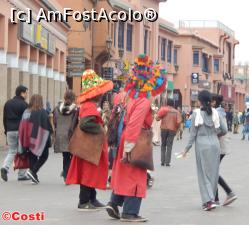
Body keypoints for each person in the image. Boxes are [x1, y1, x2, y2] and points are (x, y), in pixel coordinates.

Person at [106, 54, 167, 222]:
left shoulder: (127, 96)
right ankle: (130, 212)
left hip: (124, 135)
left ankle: (114, 202)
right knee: (136, 173)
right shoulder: (143, 101)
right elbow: (135, 123)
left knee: (122, 172)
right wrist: (129, 146)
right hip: (136, 138)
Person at [66, 69, 113, 210]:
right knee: (88, 174)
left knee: (91, 173)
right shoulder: (89, 106)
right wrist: (100, 130)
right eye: (100, 91)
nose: (102, 94)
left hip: (90, 147)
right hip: (89, 147)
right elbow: (85, 123)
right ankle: (84, 201)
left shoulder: (88, 105)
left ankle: (92, 199)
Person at [181, 90, 227, 211]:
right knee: (213, 173)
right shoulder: (215, 112)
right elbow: (225, 129)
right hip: (215, 144)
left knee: (203, 174)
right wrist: (215, 135)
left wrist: (186, 149)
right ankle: (211, 199)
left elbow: (192, 134)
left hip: (202, 145)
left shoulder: (197, 114)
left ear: (200, 101)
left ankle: (209, 200)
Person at [18, 94, 53, 184]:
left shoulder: (26, 111)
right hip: (40, 137)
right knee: (44, 155)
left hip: (28, 137)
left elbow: (22, 125)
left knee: (32, 155)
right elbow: (47, 126)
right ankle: (33, 171)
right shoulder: (42, 112)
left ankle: (34, 175)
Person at [211, 95, 237, 206]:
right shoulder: (220, 111)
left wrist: (213, 136)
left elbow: (223, 130)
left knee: (213, 172)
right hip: (221, 146)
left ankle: (229, 192)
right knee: (213, 171)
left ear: (213, 102)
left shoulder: (217, 112)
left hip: (219, 146)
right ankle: (216, 198)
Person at [1, 85, 30, 182]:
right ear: (22, 93)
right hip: (21, 131)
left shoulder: (8, 103)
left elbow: (4, 118)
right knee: (23, 152)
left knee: (12, 151)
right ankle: (21, 175)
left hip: (10, 130)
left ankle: (5, 167)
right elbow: (27, 120)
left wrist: (6, 130)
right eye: (26, 92)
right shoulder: (25, 105)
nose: (27, 95)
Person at [53, 90, 77, 183]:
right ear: (73, 98)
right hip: (71, 135)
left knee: (65, 156)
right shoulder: (75, 110)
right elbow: (76, 123)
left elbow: (55, 122)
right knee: (72, 156)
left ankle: (66, 175)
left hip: (60, 135)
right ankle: (68, 174)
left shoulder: (57, 109)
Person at [156, 99, 182, 167]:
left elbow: (157, 119)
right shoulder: (176, 112)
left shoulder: (164, 110)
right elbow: (179, 122)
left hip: (164, 129)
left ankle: (162, 161)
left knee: (163, 145)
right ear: (173, 104)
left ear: (167, 103)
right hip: (172, 129)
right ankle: (167, 162)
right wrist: (177, 129)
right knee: (169, 146)